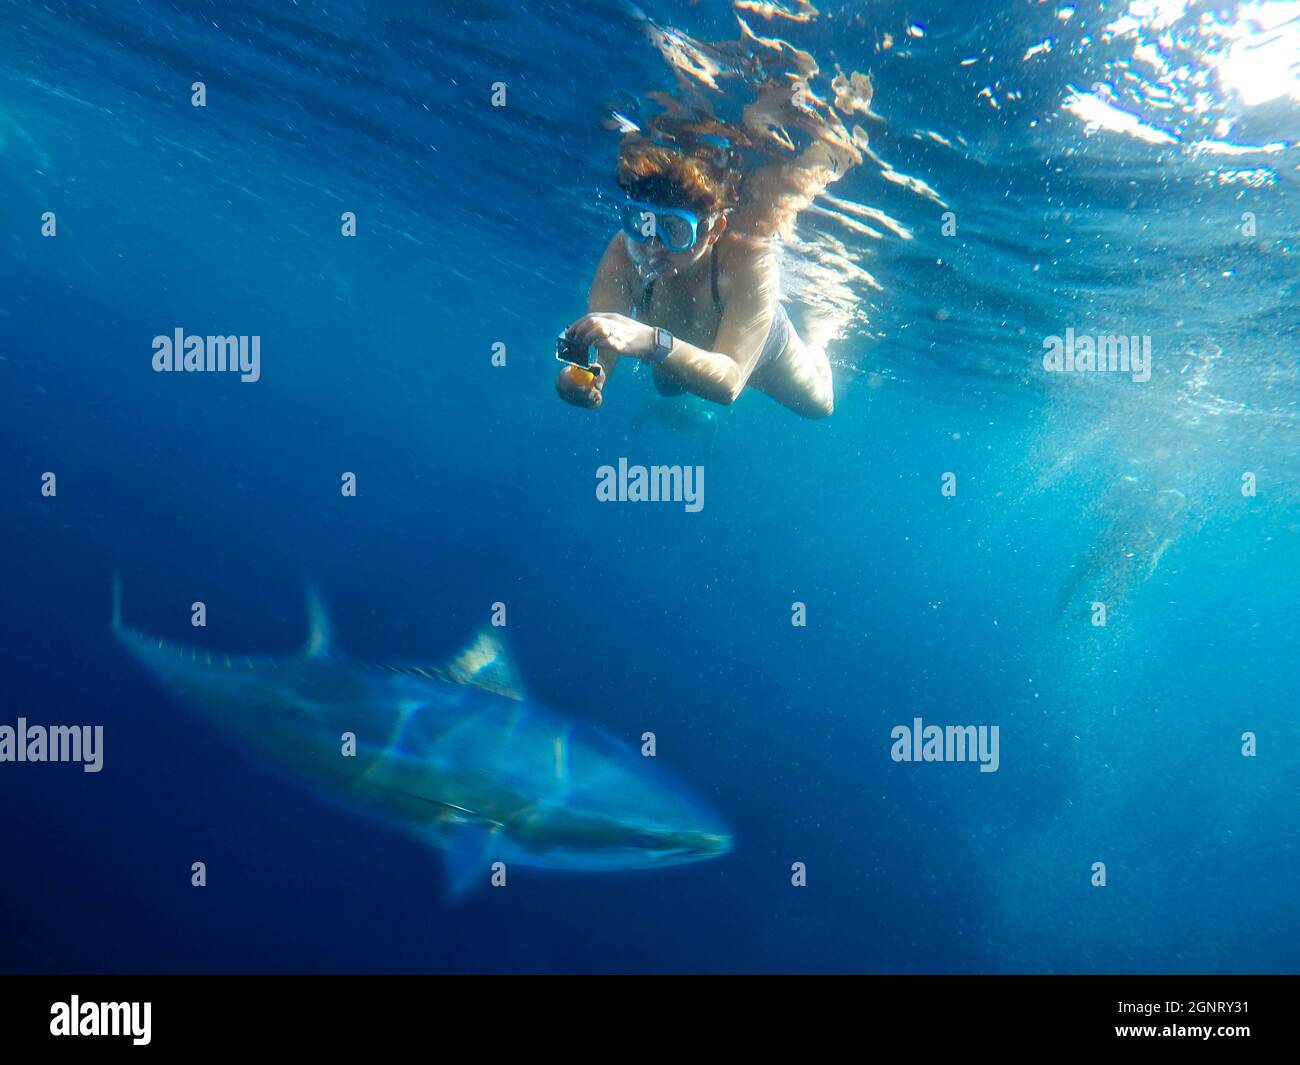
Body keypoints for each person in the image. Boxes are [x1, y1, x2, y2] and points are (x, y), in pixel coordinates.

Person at [556, 142, 835, 418]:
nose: (653, 244)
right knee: (665, 388)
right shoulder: (623, 248)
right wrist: (585, 375)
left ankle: (813, 340)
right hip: (675, 344)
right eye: (644, 223)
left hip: (760, 351)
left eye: (674, 230)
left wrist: (652, 341)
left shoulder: (751, 261)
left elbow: (729, 382)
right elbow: (601, 337)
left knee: (820, 406)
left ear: (714, 230)